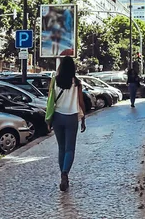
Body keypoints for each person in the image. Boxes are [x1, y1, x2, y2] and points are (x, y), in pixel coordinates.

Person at [49, 56, 86, 191]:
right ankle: (65, 173)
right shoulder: (76, 82)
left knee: (61, 148)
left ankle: (63, 176)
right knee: (70, 149)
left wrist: (49, 119)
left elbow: (50, 101)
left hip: (57, 117)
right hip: (72, 117)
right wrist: (83, 117)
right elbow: (81, 102)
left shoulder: (54, 81)